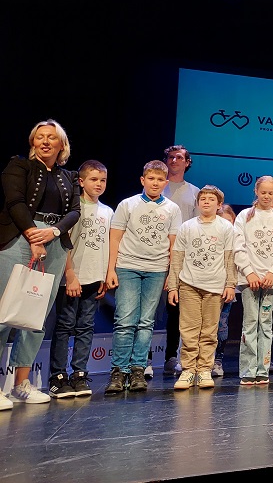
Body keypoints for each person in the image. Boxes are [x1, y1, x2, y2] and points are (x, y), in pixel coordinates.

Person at [0, 119, 80, 408]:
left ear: (62, 144)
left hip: (54, 242)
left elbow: (74, 211)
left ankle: (21, 384)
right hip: (21, 238)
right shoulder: (19, 166)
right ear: (33, 143)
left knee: (36, 315)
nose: (45, 141)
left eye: (51, 137)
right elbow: (15, 202)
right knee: (4, 312)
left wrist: (54, 232)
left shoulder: (70, 176)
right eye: (40, 137)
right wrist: (33, 235)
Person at [104, 160, 182, 394]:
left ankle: (138, 368)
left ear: (166, 183)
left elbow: (174, 245)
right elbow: (115, 238)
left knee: (146, 322)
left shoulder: (172, 209)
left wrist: (172, 275)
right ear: (143, 180)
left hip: (157, 269)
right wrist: (110, 269)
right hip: (128, 266)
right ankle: (119, 370)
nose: (155, 183)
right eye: (151, 178)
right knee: (125, 320)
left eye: (160, 179)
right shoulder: (127, 204)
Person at [47, 159, 113, 399]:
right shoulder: (73, 210)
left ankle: (79, 374)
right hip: (71, 278)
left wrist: (104, 275)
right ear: (81, 181)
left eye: (103, 180)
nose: (99, 184)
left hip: (94, 278)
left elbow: (106, 245)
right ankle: (58, 376)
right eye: (93, 179)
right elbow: (64, 243)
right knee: (65, 325)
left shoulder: (108, 211)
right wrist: (70, 274)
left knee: (86, 327)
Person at [167, 185, 236, 390]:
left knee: (209, 330)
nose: (206, 202)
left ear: (219, 204)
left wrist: (230, 284)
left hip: (215, 286)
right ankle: (188, 370)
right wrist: (173, 286)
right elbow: (177, 258)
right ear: (197, 203)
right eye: (203, 199)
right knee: (189, 329)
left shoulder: (226, 227)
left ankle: (205, 369)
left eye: (211, 199)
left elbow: (230, 258)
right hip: (189, 284)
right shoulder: (187, 226)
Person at [233, 175, 273, 385]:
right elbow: (238, 246)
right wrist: (250, 272)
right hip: (250, 280)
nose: (266, 196)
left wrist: (272, 272)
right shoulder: (244, 216)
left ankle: (263, 368)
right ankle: (248, 370)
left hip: (270, 281)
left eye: (270, 193)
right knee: (250, 323)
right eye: (263, 192)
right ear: (256, 192)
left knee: (265, 324)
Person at [161, 144, 200, 376]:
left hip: (182, 259)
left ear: (187, 163)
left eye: (179, 157)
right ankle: (143, 361)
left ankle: (171, 357)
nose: (174, 161)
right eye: (170, 157)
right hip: (155, 255)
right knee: (150, 311)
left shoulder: (194, 192)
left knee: (176, 310)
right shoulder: (157, 186)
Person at [212, 203, 237, 377]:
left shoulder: (237, 239)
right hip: (208, 285)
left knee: (221, 325)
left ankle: (218, 360)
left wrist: (231, 285)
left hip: (226, 287)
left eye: (229, 221)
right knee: (205, 326)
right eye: (222, 220)